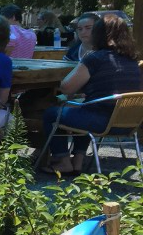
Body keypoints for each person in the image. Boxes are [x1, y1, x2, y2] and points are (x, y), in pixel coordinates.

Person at [42, 16, 142, 174]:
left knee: (51, 113)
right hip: (128, 123)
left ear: (99, 34)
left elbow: (66, 88)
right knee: (85, 105)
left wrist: (84, 61)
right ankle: (78, 161)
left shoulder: (96, 58)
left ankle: (62, 161)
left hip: (100, 122)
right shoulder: (132, 60)